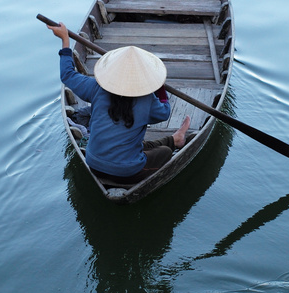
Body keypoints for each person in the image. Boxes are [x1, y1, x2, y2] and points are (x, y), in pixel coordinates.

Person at [47, 22, 190, 184]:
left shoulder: (97, 88)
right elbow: (164, 112)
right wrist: (159, 88)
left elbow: (67, 75)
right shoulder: (147, 98)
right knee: (164, 152)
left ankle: (175, 139)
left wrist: (65, 40)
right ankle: (174, 141)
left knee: (140, 145)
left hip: (93, 162)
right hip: (128, 171)